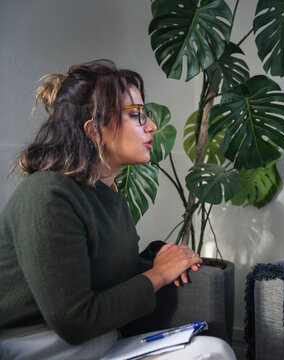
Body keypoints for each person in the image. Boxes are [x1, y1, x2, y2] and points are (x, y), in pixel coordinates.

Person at [0, 60, 234, 359]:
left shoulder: (109, 195)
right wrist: (160, 274)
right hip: (41, 348)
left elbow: (110, 276)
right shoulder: (47, 196)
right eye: (136, 116)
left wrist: (159, 256)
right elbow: (73, 321)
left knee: (214, 351)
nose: (151, 126)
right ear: (95, 130)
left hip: (103, 341)